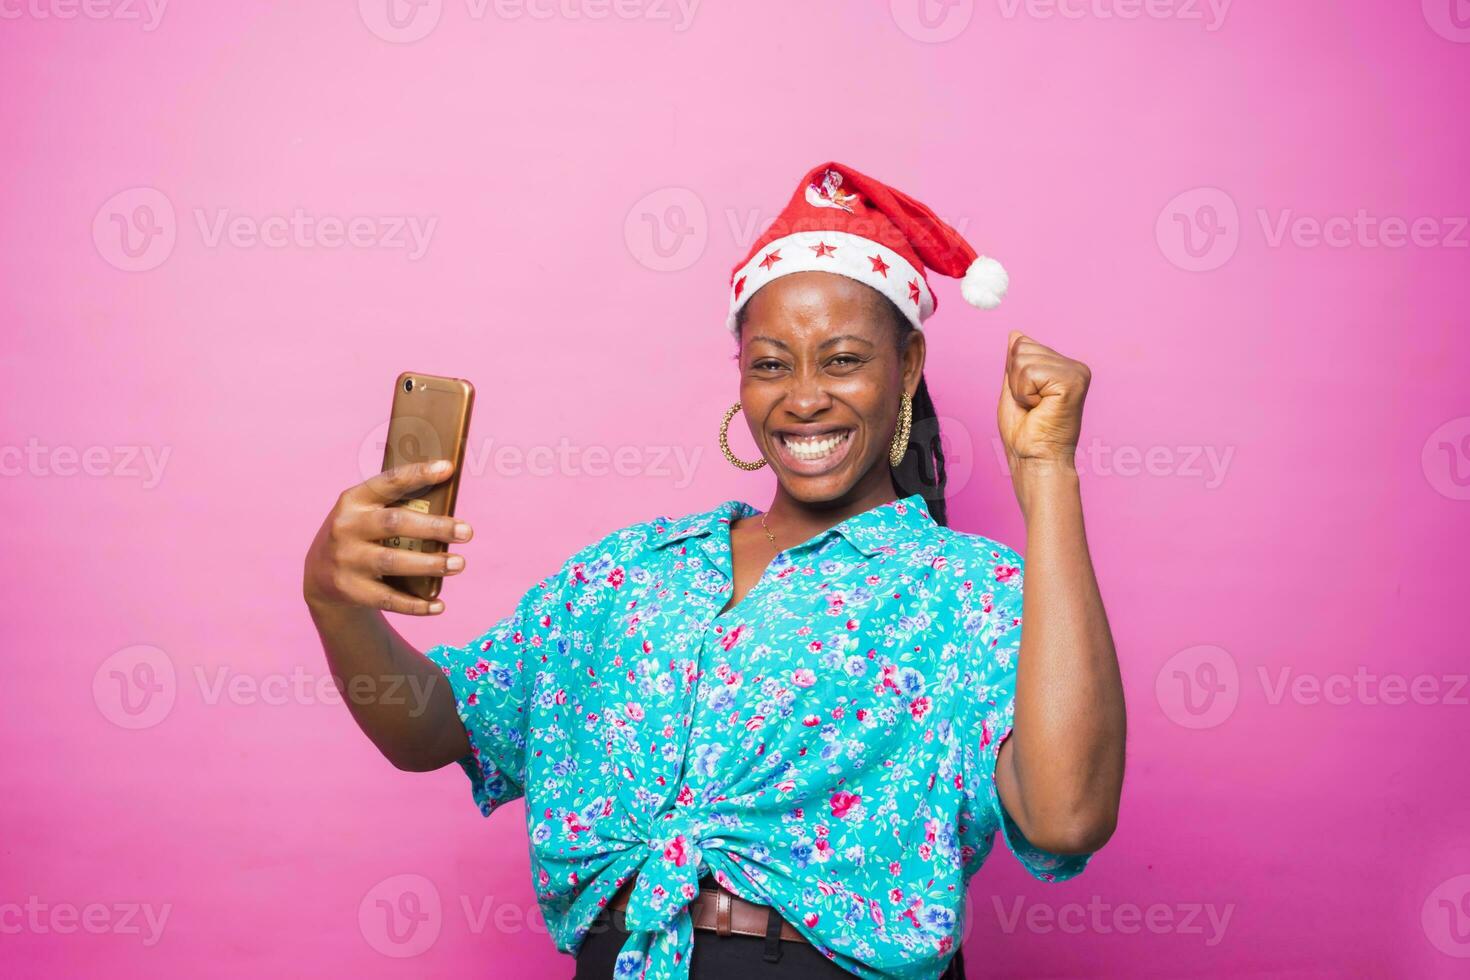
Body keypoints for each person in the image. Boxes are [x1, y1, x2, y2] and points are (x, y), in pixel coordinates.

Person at [303, 161, 1126, 979]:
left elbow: (1067, 817)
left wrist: (1047, 474)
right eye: (772, 364)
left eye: (842, 361)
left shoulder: (970, 593)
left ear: (907, 367)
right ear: (741, 373)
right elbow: (437, 729)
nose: (804, 398)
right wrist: (333, 601)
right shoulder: (631, 574)